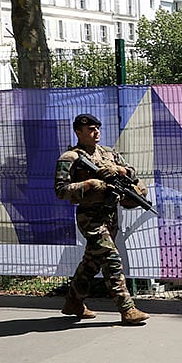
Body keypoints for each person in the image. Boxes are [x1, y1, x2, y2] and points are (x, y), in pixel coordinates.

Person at [54, 113, 150, 325]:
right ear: (78, 132)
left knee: (92, 262)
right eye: (90, 129)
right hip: (90, 217)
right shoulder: (70, 158)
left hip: (111, 215)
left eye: (97, 128)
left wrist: (120, 170)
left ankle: (73, 303)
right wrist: (88, 185)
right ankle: (127, 309)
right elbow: (60, 190)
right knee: (111, 259)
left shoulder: (109, 154)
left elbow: (133, 174)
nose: (96, 132)